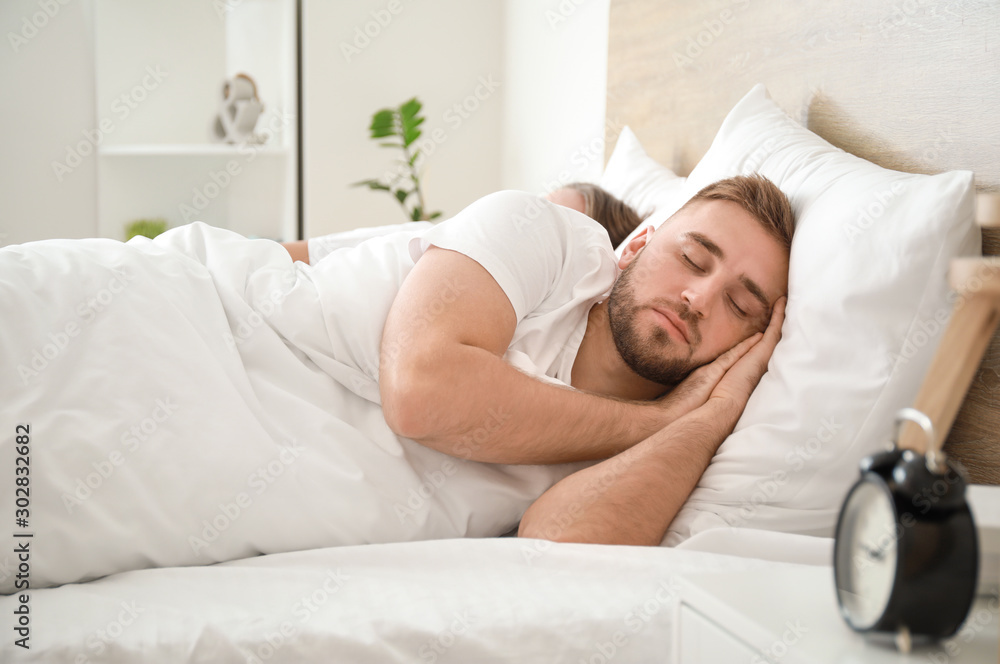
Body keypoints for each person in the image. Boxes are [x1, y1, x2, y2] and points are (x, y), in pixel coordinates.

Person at [283, 174, 792, 548]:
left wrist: (711, 414)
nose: (699, 298)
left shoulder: (661, 442)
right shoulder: (546, 235)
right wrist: (659, 419)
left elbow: (557, 549)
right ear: (635, 246)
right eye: (693, 259)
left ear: (749, 345)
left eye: (739, 306)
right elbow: (420, 391)